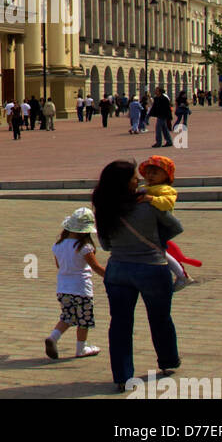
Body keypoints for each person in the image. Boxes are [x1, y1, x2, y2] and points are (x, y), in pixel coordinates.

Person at [93, 158, 182, 392]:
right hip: (152, 267)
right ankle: (167, 361)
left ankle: (122, 376)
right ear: (126, 182)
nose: (139, 180)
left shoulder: (103, 206)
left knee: (120, 323)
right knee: (160, 317)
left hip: (118, 270)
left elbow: (105, 244)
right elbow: (175, 227)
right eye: (135, 176)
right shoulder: (147, 204)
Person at [44, 206, 105, 360]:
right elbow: (96, 267)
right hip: (81, 288)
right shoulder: (84, 247)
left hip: (63, 288)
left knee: (67, 316)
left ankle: (53, 337)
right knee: (84, 319)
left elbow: (59, 266)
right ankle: (81, 348)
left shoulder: (57, 245)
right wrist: (110, 276)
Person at [136, 154, 188, 289]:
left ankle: (181, 275)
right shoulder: (144, 188)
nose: (150, 176)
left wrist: (151, 199)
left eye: (155, 173)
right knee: (157, 252)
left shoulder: (166, 190)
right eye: (147, 173)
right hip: (146, 225)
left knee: (159, 252)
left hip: (160, 226)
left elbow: (167, 203)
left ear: (166, 175)